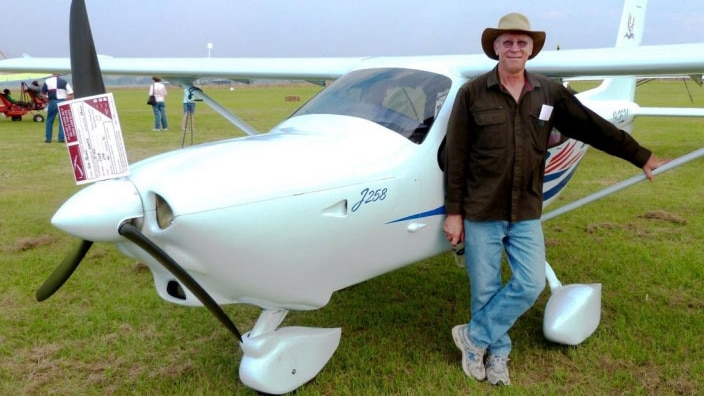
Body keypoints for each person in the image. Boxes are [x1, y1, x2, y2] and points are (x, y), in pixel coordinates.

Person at [443, 13, 667, 386]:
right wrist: (454, 213)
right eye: (508, 42)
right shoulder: (473, 94)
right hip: (482, 208)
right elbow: (457, 157)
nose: (515, 48)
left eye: (522, 42)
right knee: (484, 289)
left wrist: (640, 155)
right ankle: (497, 355)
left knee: (529, 283)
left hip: (526, 207)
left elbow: (592, 127)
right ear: (495, 47)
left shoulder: (548, 92)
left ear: (531, 49)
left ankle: (473, 337)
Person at [41, 73, 74, 143]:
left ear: (52, 75)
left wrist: (47, 100)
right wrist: (66, 100)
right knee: (62, 121)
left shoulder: (47, 81)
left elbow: (42, 94)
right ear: (59, 75)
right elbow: (71, 93)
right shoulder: (64, 82)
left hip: (52, 102)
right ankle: (61, 138)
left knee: (49, 120)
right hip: (62, 101)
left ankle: (48, 138)